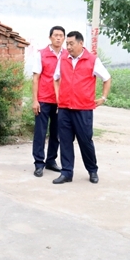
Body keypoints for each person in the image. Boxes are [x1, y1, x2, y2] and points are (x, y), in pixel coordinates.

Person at [52, 31, 111, 184]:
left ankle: (92, 170)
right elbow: (56, 79)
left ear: (80, 43)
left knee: (85, 141)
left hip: (83, 109)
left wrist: (103, 97)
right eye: (67, 44)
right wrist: (59, 98)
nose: (68, 47)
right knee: (65, 141)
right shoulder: (63, 58)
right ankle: (66, 172)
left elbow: (107, 78)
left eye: (71, 44)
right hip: (65, 108)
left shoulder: (92, 60)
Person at [31, 26, 66, 177]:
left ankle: (51, 160)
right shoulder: (42, 54)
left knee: (57, 133)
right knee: (40, 132)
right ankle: (39, 163)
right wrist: (35, 100)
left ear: (64, 38)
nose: (58, 38)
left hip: (61, 101)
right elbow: (35, 78)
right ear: (50, 37)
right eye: (56, 35)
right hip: (44, 100)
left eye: (61, 35)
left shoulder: (67, 55)